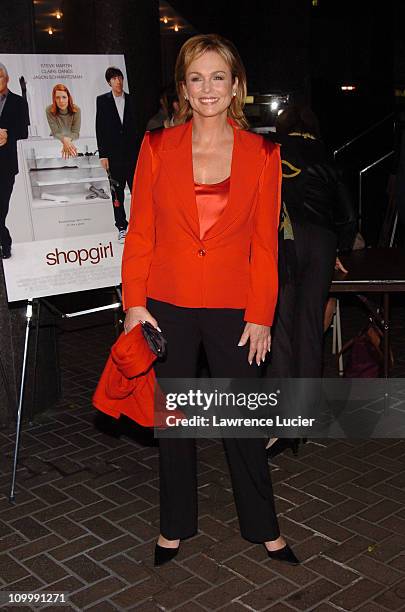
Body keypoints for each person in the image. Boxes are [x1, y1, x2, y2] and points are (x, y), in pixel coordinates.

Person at [122, 34, 299, 567]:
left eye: (218, 77)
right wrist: (134, 303)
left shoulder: (264, 155)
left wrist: (262, 313)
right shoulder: (157, 147)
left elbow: (266, 244)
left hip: (234, 306)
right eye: (196, 78)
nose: (207, 88)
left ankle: (263, 527)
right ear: (183, 88)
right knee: (174, 424)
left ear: (236, 86)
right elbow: (140, 235)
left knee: (240, 420)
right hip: (167, 301)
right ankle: (174, 526)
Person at [265, 105, 356, 453]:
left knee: (281, 327)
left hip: (283, 240)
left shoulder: (273, 149)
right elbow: (348, 215)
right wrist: (340, 249)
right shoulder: (326, 155)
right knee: (309, 328)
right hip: (320, 243)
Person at [96, 66, 138, 244]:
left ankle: (139, 226)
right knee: (116, 194)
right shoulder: (102, 101)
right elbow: (100, 128)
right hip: (113, 156)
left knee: (138, 192)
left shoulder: (132, 99)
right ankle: (121, 227)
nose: (118, 81)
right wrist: (103, 155)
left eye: (120, 78)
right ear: (109, 82)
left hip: (133, 154)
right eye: (114, 79)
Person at [0, 62, 29, 259]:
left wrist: (7, 134)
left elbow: (24, 132)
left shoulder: (18, 102)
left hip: (6, 165)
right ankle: (5, 241)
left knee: (1, 207)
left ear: (7, 78)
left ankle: (5, 241)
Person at [46, 84, 81, 159]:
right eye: (57, 98)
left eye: (64, 97)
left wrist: (67, 141)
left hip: (72, 141)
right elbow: (55, 132)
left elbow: (75, 132)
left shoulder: (76, 110)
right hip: (56, 142)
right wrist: (65, 140)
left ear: (69, 98)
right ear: (54, 99)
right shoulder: (49, 110)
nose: (61, 101)